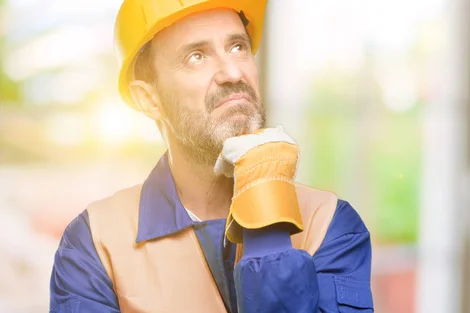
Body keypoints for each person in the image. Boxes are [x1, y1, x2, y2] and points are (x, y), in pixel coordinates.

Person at [49, 1, 374, 312]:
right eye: (196, 56)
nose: (232, 72)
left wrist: (265, 199)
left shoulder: (330, 223)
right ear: (149, 99)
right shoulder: (95, 244)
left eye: (238, 47)